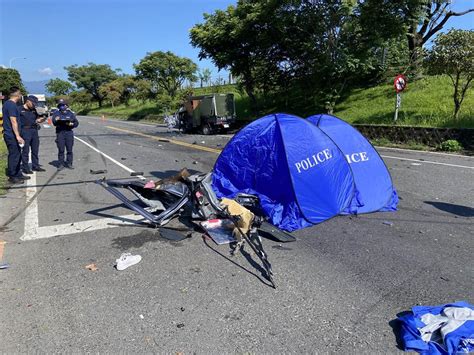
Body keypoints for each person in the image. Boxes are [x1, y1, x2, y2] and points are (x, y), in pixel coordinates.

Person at [1, 87, 30, 183]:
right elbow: (13, 121)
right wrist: (17, 136)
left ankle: (18, 173)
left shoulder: (8, 104)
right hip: (11, 135)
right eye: (20, 94)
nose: (21, 96)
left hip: (12, 134)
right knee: (14, 155)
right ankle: (12, 176)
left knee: (18, 154)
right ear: (17, 95)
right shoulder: (11, 105)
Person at [19, 95, 46, 174]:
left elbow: (36, 119)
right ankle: (25, 167)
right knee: (25, 151)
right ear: (28, 101)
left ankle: (35, 165)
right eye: (33, 103)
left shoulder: (33, 110)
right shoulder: (19, 109)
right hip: (25, 131)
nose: (34, 105)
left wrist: (41, 119)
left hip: (34, 131)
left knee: (35, 149)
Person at [51, 99, 79, 170]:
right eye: (61, 105)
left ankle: (69, 163)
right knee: (61, 150)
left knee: (69, 150)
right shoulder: (56, 113)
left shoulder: (70, 113)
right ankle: (61, 164)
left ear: (66, 105)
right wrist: (56, 120)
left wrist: (71, 124)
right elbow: (54, 122)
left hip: (69, 132)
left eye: (63, 105)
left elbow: (76, 123)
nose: (62, 106)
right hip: (60, 133)